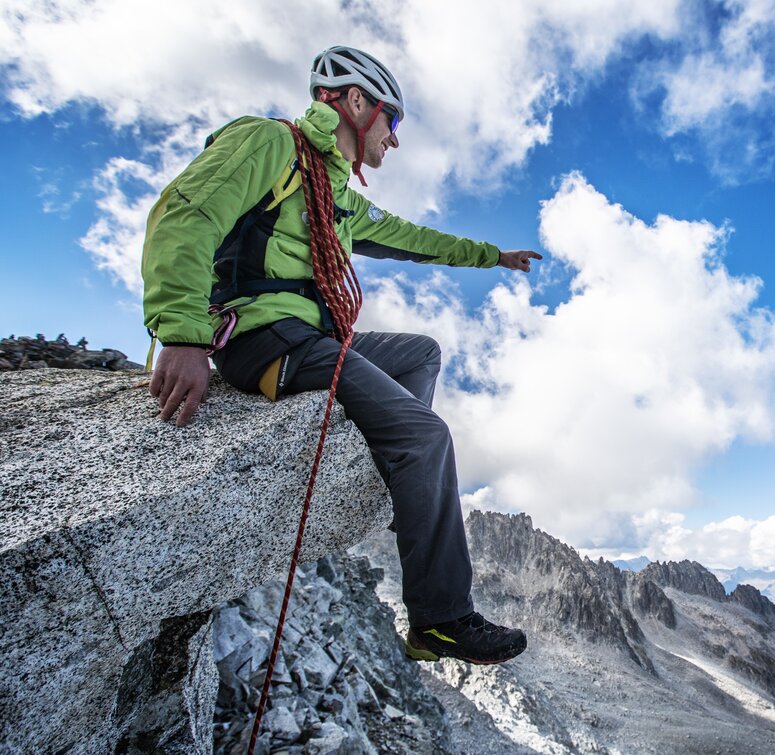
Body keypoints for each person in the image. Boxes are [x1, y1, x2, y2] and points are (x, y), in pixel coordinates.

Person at [141, 45, 538, 664]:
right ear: (356, 103)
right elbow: (184, 215)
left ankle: (397, 478)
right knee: (426, 435)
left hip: (313, 338)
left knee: (420, 354)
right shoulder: (269, 144)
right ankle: (440, 619)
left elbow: (413, 239)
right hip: (265, 338)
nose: (395, 140)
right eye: (392, 122)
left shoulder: (334, 190)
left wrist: (493, 255)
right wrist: (185, 336)